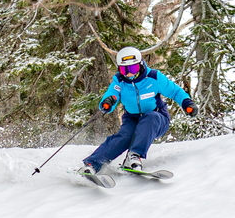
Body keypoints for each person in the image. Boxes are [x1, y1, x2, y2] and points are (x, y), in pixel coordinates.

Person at [81, 46, 196, 175]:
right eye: (124, 70)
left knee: (150, 118)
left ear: (140, 65)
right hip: (132, 119)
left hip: (157, 118)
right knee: (124, 136)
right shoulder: (120, 81)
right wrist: (108, 102)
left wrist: (187, 103)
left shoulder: (154, 77)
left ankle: (134, 156)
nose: (129, 73)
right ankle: (92, 164)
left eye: (133, 68)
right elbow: (112, 93)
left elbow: (175, 91)